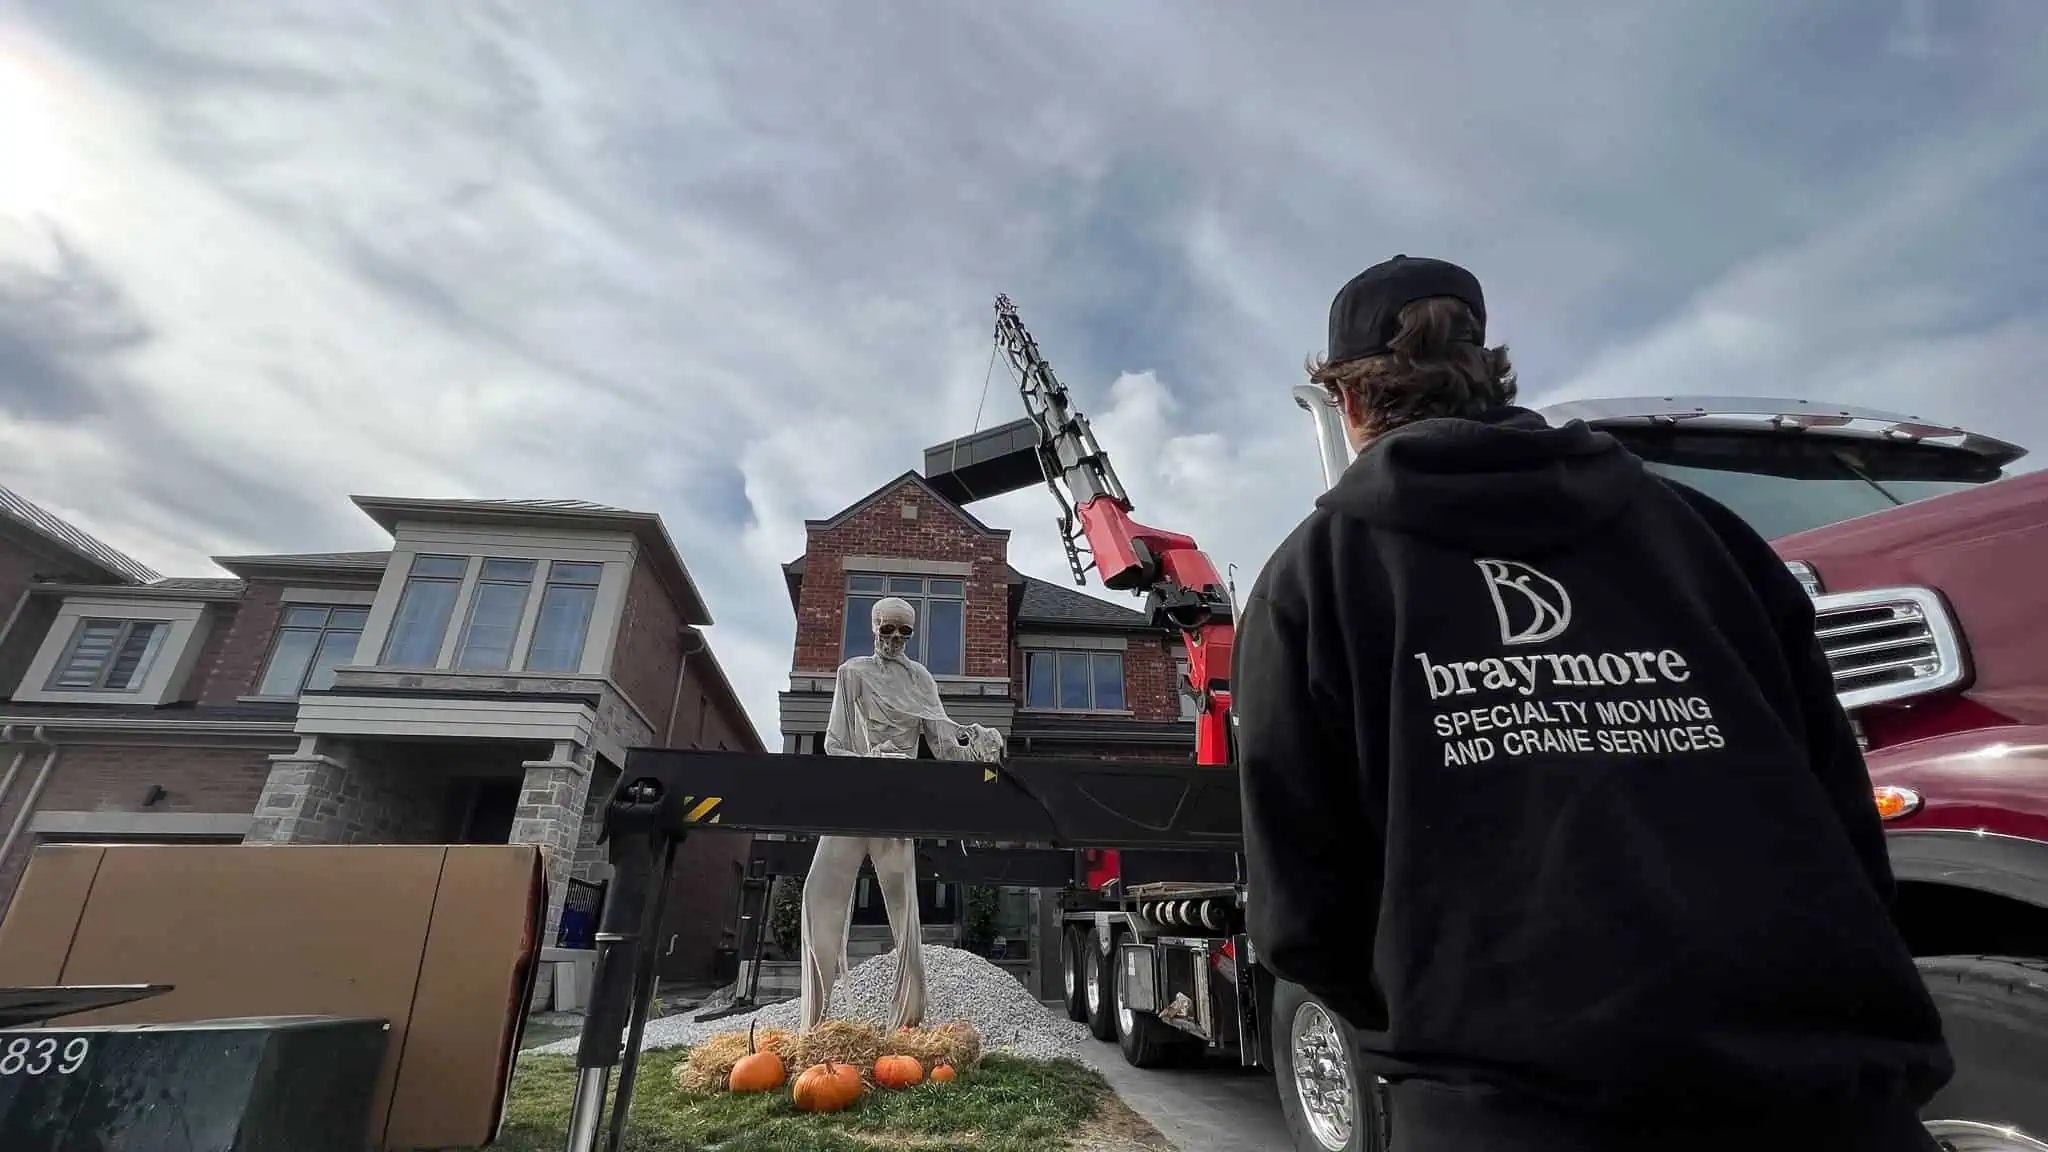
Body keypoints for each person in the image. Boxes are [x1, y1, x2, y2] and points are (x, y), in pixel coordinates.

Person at [1233, 255, 1953, 1151]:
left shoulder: (1315, 577)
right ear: (1490, 369)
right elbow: (1839, 807)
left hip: (1510, 1113)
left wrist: (1445, 1035)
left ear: (1345, 402)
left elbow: (1300, 903)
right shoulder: (1707, 535)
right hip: (1823, 1095)